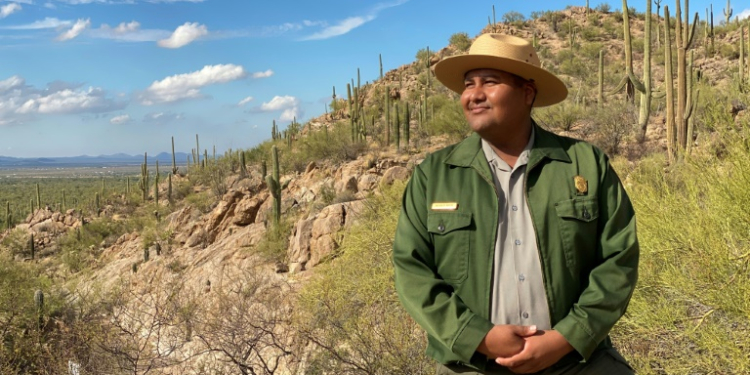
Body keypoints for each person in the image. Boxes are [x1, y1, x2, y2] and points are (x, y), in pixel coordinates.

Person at [392, 33, 639, 374]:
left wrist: (567, 337)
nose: (474, 95)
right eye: (468, 85)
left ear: (527, 93)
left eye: (489, 82)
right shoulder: (433, 176)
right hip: (472, 365)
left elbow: (618, 260)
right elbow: (411, 270)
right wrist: (477, 336)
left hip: (577, 361)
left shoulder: (585, 163)